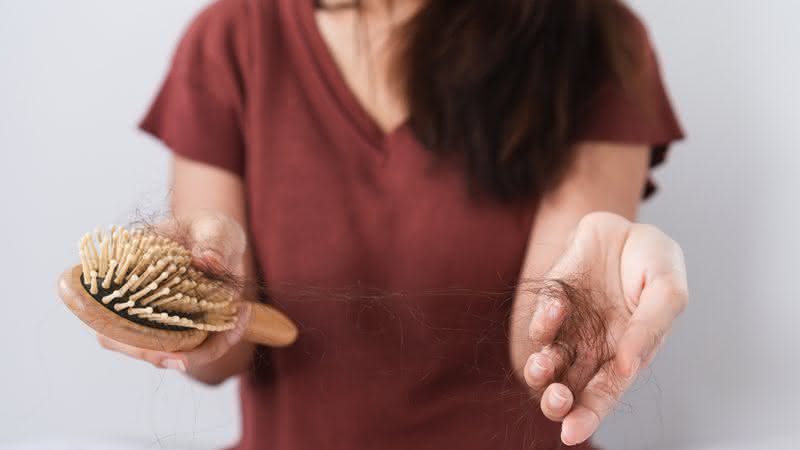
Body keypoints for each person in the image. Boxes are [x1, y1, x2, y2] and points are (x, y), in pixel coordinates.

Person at [97, 0, 688, 448]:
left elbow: (542, 359)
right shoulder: (233, 38)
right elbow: (222, 355)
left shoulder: (587, 39)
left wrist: (592, 306)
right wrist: (186, 309)